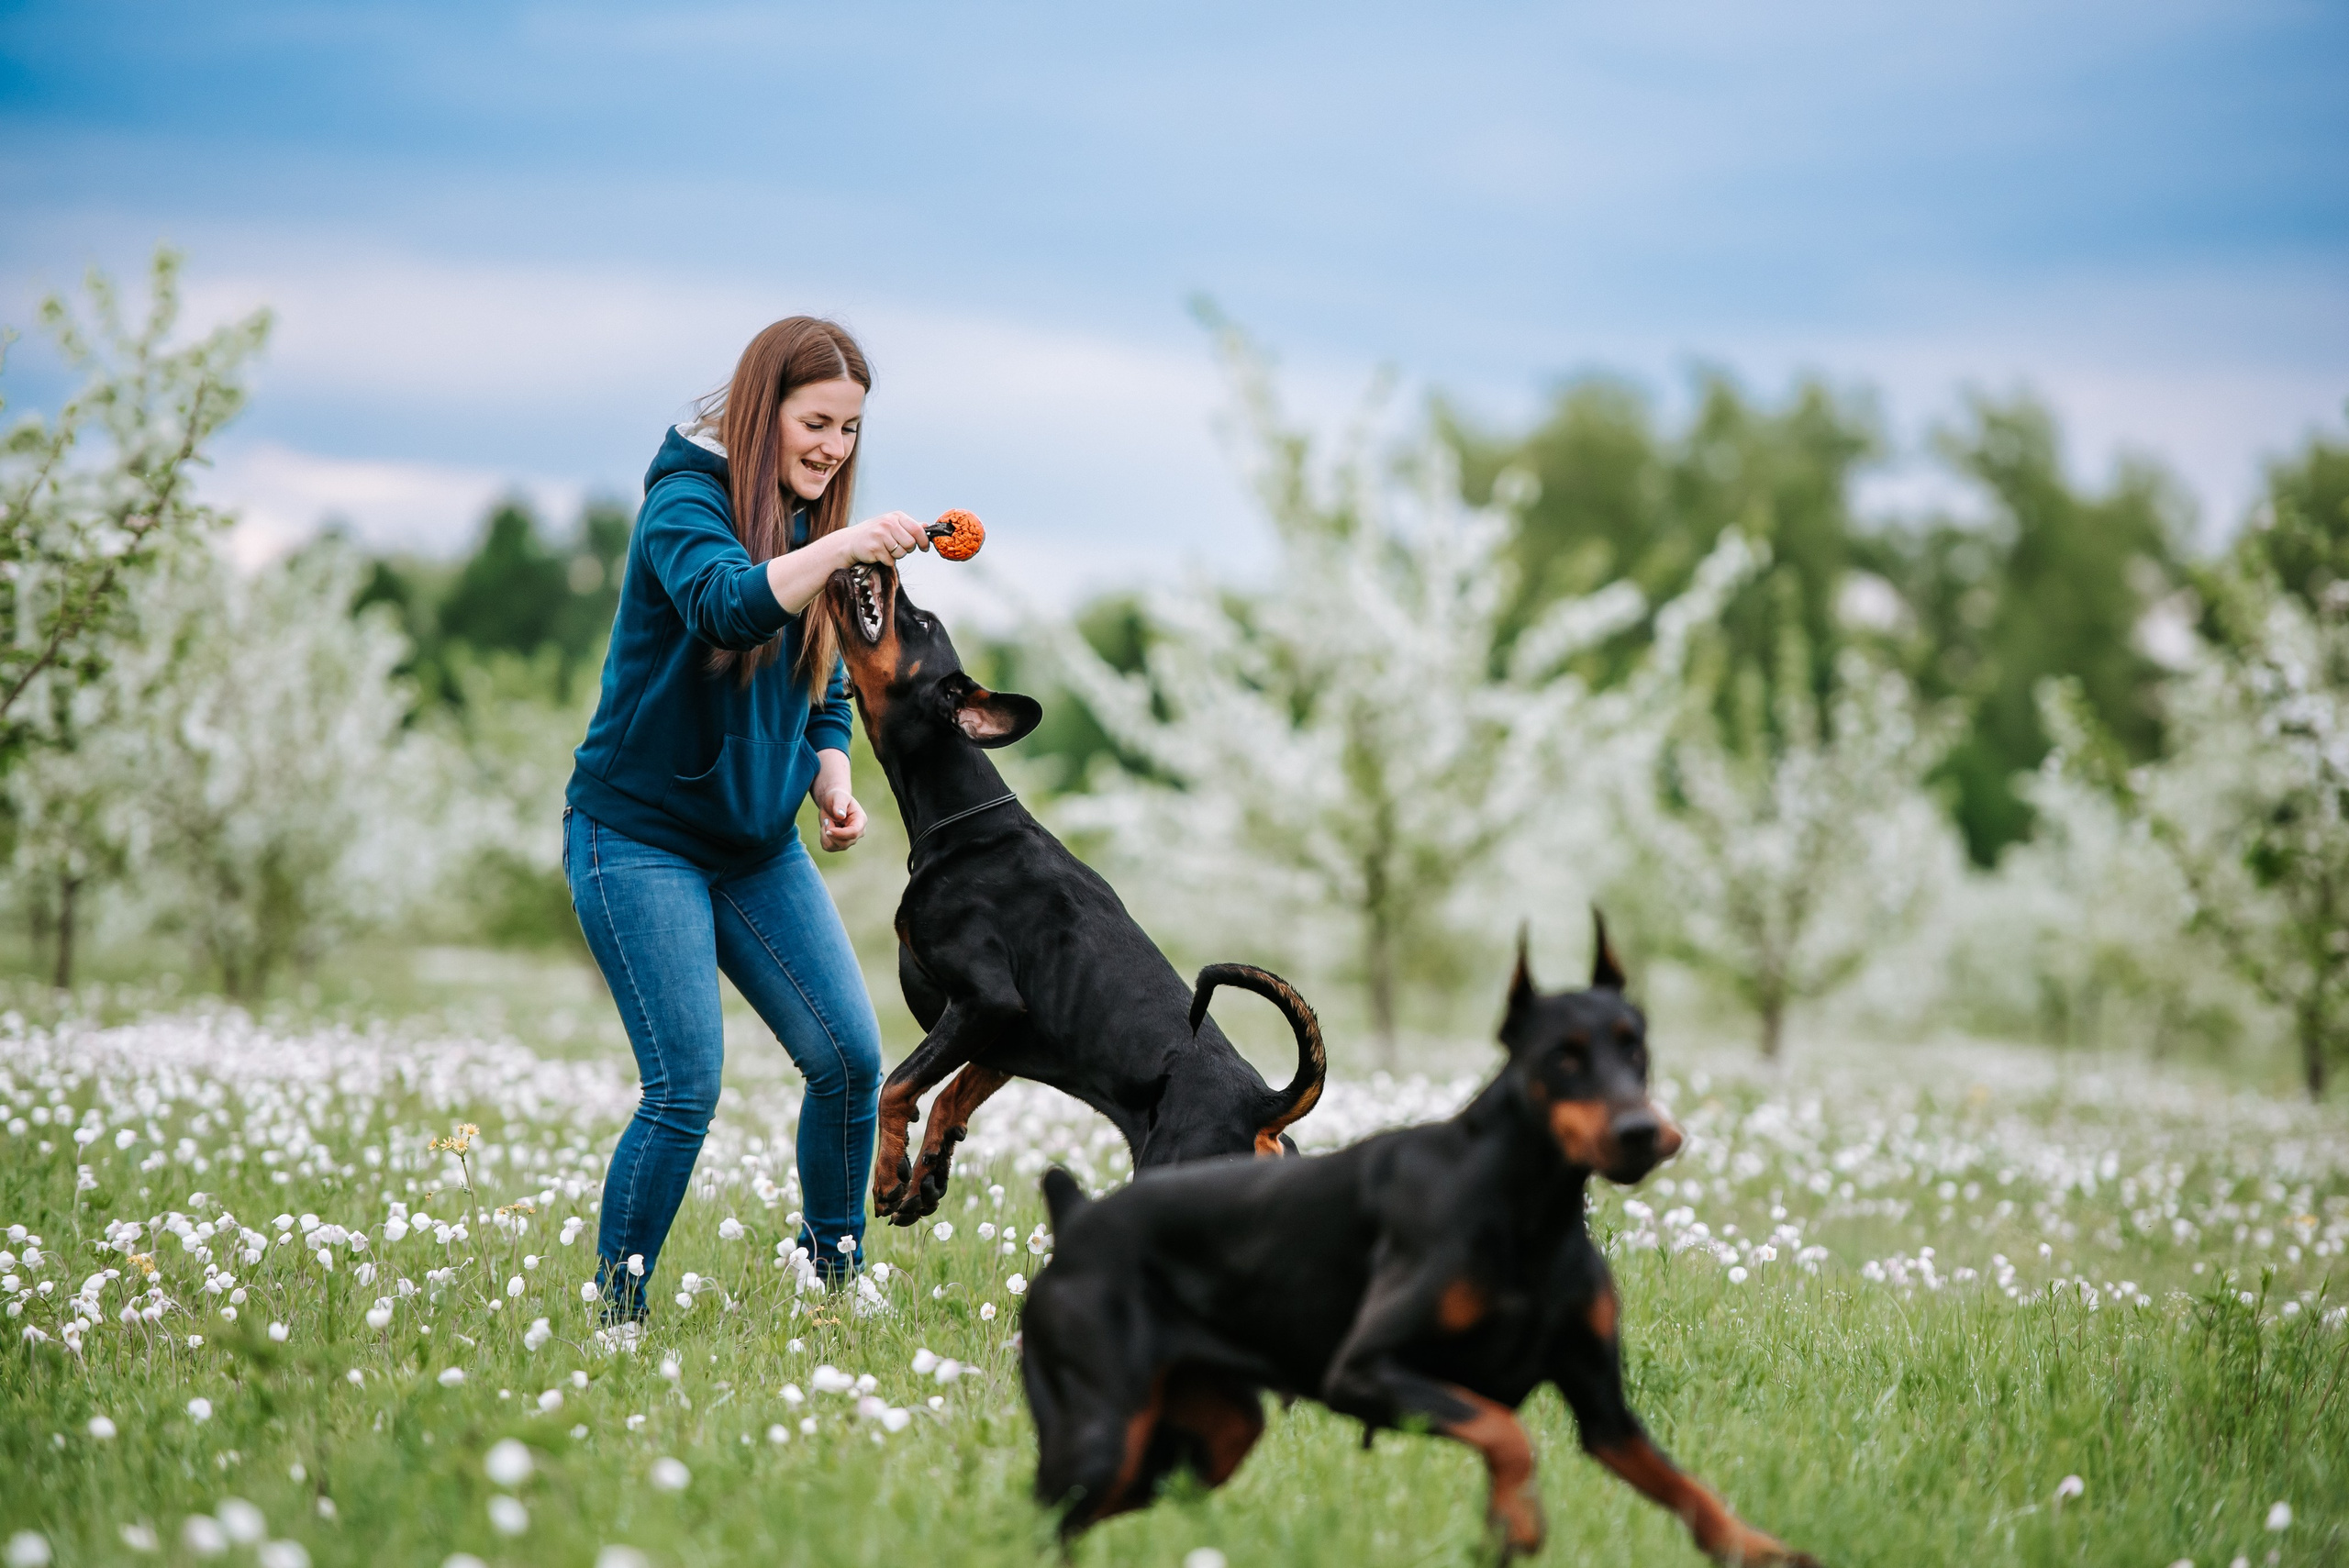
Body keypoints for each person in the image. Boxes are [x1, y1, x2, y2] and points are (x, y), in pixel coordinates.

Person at [563, 317, 930, 1319]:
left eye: (851, 430)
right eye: (817, 423)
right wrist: (848, 544)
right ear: (764, 405)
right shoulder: (681, 503)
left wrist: (827, 769)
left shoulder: (816, 517)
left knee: (850, 1059)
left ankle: (834, 1276)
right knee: (685, 1085)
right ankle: (616, 1314)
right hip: (637, 833)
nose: (834, 449)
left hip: (754, 844)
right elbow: (729, 605)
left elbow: (825, 683)